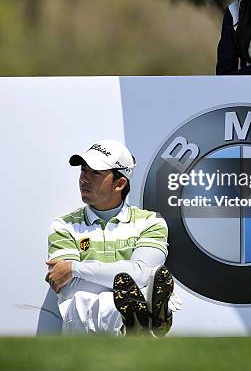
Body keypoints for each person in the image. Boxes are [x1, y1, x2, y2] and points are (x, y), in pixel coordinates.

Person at [46, 139, 180, 336]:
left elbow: (141, 274)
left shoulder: (151, 222)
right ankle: (142, 316)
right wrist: (129, 283)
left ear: (119, 183)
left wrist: (75, 268)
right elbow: (68, 286)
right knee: (82, 300)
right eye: (83, 169)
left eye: (95, 173)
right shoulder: (63, 225)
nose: (84, 179)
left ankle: (135, 319)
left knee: (94, 297)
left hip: (105, 331)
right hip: (82, 331)